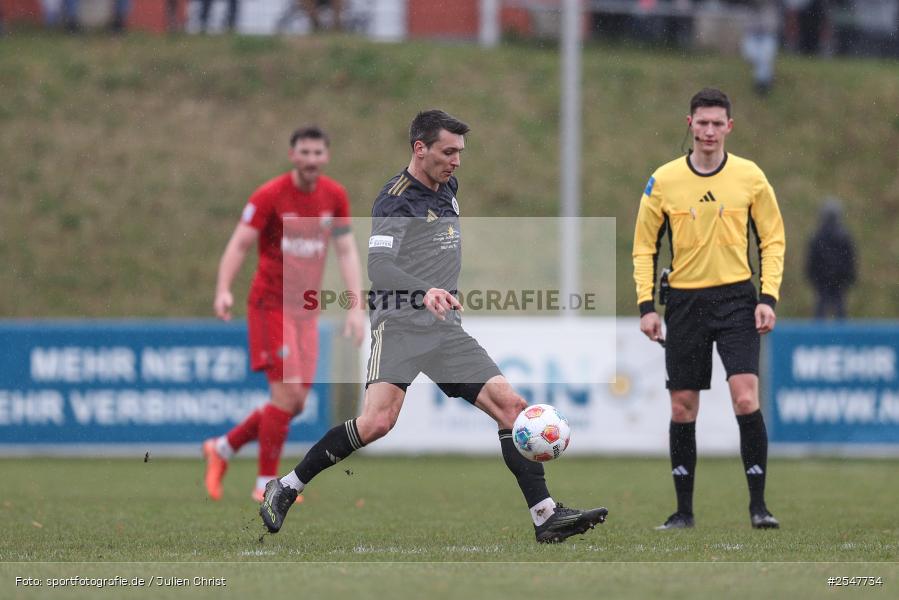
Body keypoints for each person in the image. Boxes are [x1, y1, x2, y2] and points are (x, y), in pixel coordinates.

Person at [258, 110, 608, 544]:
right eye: (447, 151)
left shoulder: (448, 186)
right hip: (400, 324)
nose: (456, 161)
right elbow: (379, 265)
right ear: (419, 149)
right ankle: (287, 486)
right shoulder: (395, 201)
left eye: (460, 152)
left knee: (511, 407)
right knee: (377, 423)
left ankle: (545, 516)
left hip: (444, 329)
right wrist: (424, 289)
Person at [632, 88, 786, 530]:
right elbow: (644, 247)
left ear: (729, 127)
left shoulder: (750, 177)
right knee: (683, 407)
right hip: (684, 303)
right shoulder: (662, 180)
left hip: (737, 300)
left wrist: (767, 297)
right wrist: (647, 305)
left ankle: (759, 506)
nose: (710, 131)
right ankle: (683, 512)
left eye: (718, 123)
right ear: (690, 124)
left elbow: (772, 239)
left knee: (744, 396)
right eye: (702, 123)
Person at [204, 126, 366, 502]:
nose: (311, 160)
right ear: (292, 155)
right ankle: (264, 484)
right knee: (286, 395)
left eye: (317, 153)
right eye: (304, 153)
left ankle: (223, 448)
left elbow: (345, 252)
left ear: (326, 157)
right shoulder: (270, 195)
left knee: (294, 402)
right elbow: (240, 243)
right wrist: (223, 289)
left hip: (305, 311)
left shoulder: (334, 196)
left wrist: (356, 307)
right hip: (270, 305)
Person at [805, 198, 856, 319]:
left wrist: (814, 277)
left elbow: (811, 261)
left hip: (824, 280)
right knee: (838, 309)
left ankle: (818, 335)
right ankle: (841, 335)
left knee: (822, 309)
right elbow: (850, 260)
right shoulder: (844, 237)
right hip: (836, 280)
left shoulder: (818, 237)